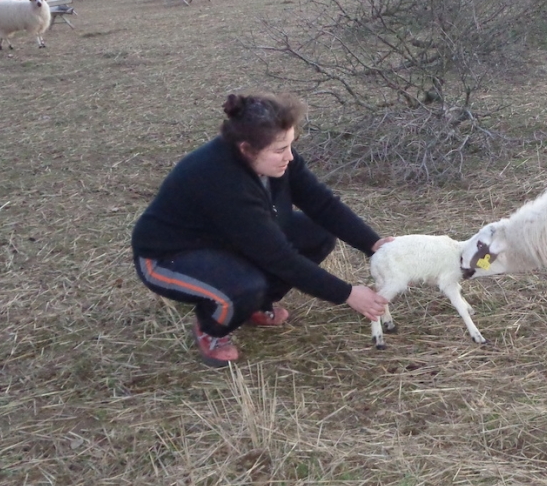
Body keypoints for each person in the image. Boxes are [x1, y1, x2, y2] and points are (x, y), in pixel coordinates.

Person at [132, 91, 391, 366]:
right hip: (168, 256)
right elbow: (280, 258)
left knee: (317, 234)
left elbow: (321, 203)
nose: (289, 157)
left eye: (291, 145)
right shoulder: (221, 181)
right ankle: (211, 329)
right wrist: (348, 294)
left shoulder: (276, 156)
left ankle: (254, 306)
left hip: (227, 240)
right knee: (245, 287)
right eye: (280, 150)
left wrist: (373, 244)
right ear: (246, 148)